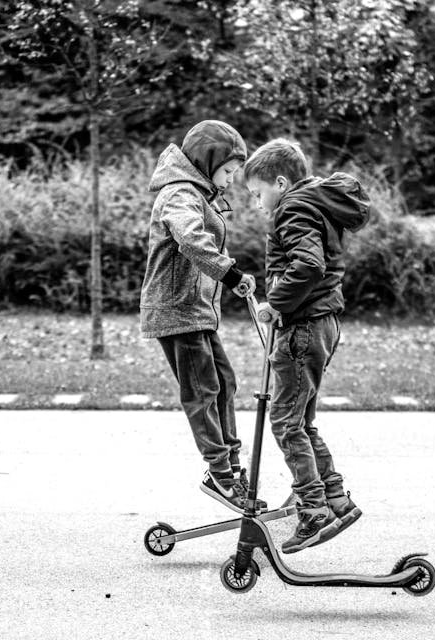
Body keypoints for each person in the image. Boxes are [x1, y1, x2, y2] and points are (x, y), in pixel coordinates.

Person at [244, 138, 372, 553]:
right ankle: (334, 497)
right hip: (321, 324)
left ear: (280, 183)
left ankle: (313, 511)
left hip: (303, 328)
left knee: (284, 421)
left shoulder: (294, 208)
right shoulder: (314, 205)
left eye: (258, 193)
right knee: (300, 420)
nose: (258, 204)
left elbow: (310, 265)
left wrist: (273, 305)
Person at [140, 120, 259, 513]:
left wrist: (228, 279)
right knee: (203, 389)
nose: (229, 181)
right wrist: (232, 273)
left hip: (197, 309)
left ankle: (231, 466)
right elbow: (191, 238)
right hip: (176, 309)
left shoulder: (198, 193)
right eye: (227, 171)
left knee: (224, 382)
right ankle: (220, 473)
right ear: (207, 162)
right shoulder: (179, 195)